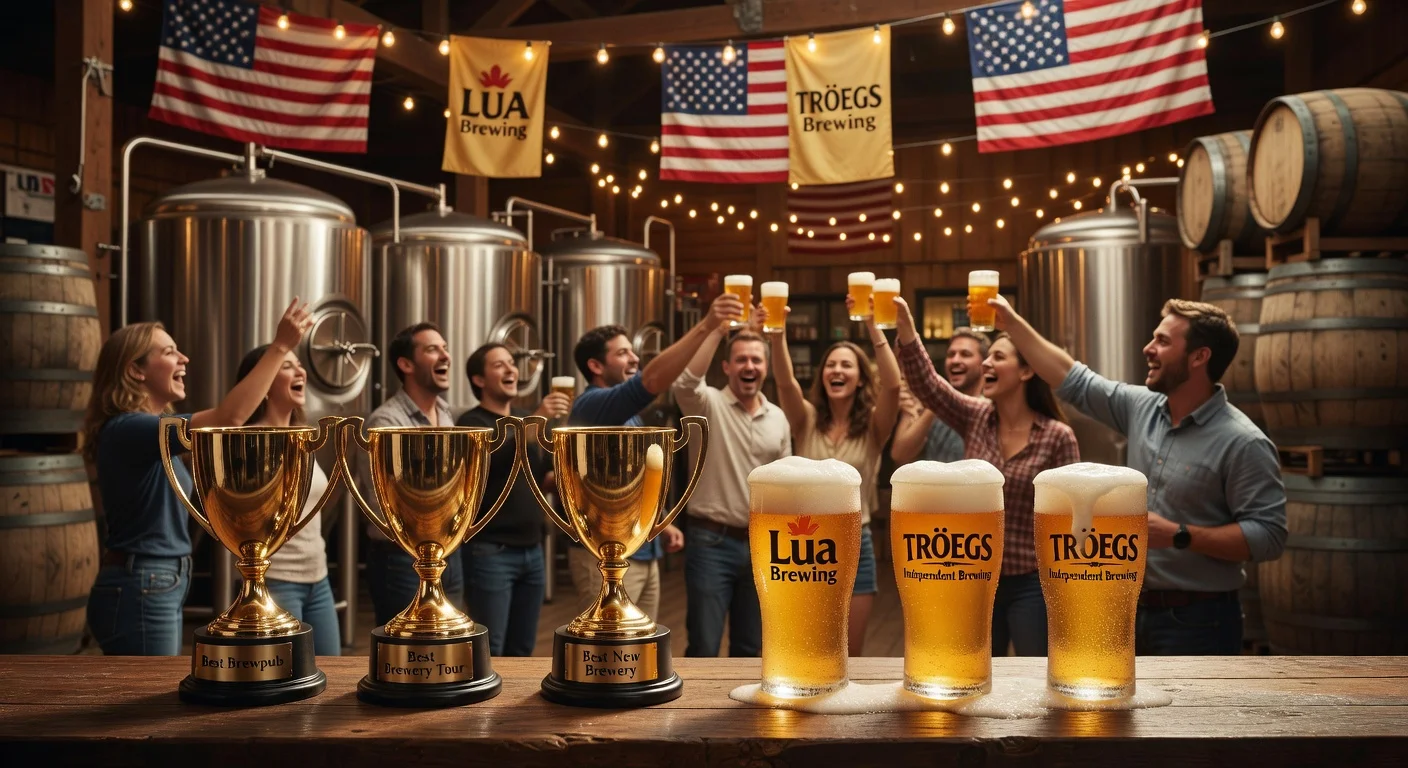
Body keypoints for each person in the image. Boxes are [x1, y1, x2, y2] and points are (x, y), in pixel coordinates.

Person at [986, 294, 1287, 656]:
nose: (1148, 348)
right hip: (1128, 607)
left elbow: (1269, 536)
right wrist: (1012, 323)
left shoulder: (1243, 441)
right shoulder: (1142, 406)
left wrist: (1179, 535)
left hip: (1199, 619)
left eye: (1163, 341)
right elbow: (1074, 381)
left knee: (1194, 714)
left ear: (1198, 357)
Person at [83, 300, 313, 656]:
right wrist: (280, 346)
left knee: (151, 695)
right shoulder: (130, 428)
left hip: (159, 579)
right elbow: (231, 417)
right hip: (143, 581)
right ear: (136, 371)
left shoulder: (153, 433)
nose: (184, 359)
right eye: (170, 352)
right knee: (146, 698)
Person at [894, 297, 1079, 658]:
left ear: (1026, 372)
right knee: (975, 669)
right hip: (974, 574)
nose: (986, 363)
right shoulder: (976, 416)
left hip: (1032, 581)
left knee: (1033, 674)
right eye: (987, 356)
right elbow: (927, 385)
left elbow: (1071, 522)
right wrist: (905, 327)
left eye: (998, 357)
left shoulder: (1058, 436)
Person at [565, 292, 745, 619]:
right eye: (622, 353)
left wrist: (662, 519)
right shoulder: (591, 406)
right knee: (609, 647)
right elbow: (650, 380)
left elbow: (631, 478)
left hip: (643, 551)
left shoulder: (628, 415)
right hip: (605, 555)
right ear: (595, 366)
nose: (634, 358)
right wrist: (707, 325)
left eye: (633, 351)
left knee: (640, 644)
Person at [770, 296, 901, 656]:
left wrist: (874, 325)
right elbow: (784, 384)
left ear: (860, 379)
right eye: (830, 365)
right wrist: (777, 333)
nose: (836, 370)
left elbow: (892, 386)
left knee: (849, 652)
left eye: (846, 365)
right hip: (806, 544)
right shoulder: (806, 419)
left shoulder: (874, 426)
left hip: (857, 542)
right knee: (810, 645)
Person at [673, 315, 791, 658]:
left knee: (751, 647)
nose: (749, 366)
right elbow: (684, 383)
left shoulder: (778, 416)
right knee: (704, 645)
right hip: (712, 542)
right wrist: (719, 329)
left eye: (756, 359)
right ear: (726, 366)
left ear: (766, 367)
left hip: (763, 545)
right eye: (741, 359)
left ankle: (743, 713)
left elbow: (785, 481)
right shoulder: (707, 404)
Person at [456, 343, 570, 656]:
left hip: (533, 549)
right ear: (479, 380)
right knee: (490, 647)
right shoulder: (472, 423)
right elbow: (492, 460)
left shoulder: (525, 417)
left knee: (522, 647)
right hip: (491, 551)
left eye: (511, 363)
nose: (511, 370)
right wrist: (536, 422)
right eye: (499, 365)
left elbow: (544, 478)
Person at [234, 344, 341, 656]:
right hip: (274, 581)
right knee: (285, 678)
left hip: (318, 578)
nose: (301, 372)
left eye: (299, 365)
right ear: (263, 382)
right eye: (287, 366)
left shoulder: (303, 435)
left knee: (331, 671)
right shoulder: (248, 441)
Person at [359, 322, 465, 627]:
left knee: (448, 636)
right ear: (406, 364)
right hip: (402, 556)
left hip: (448, 553)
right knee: (407, 645)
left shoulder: (446, 415)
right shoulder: (386, 421)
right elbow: (383, 498)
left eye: (445, 348)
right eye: (433, 349)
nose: (445, 355)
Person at [891, 328, 990, 465]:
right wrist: (935, 402)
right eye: (951, 354)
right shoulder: (928, 406)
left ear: (984, 363)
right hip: (935, 485)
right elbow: (900, 455)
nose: (955, 360)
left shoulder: (991, 409)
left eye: (965, 354)